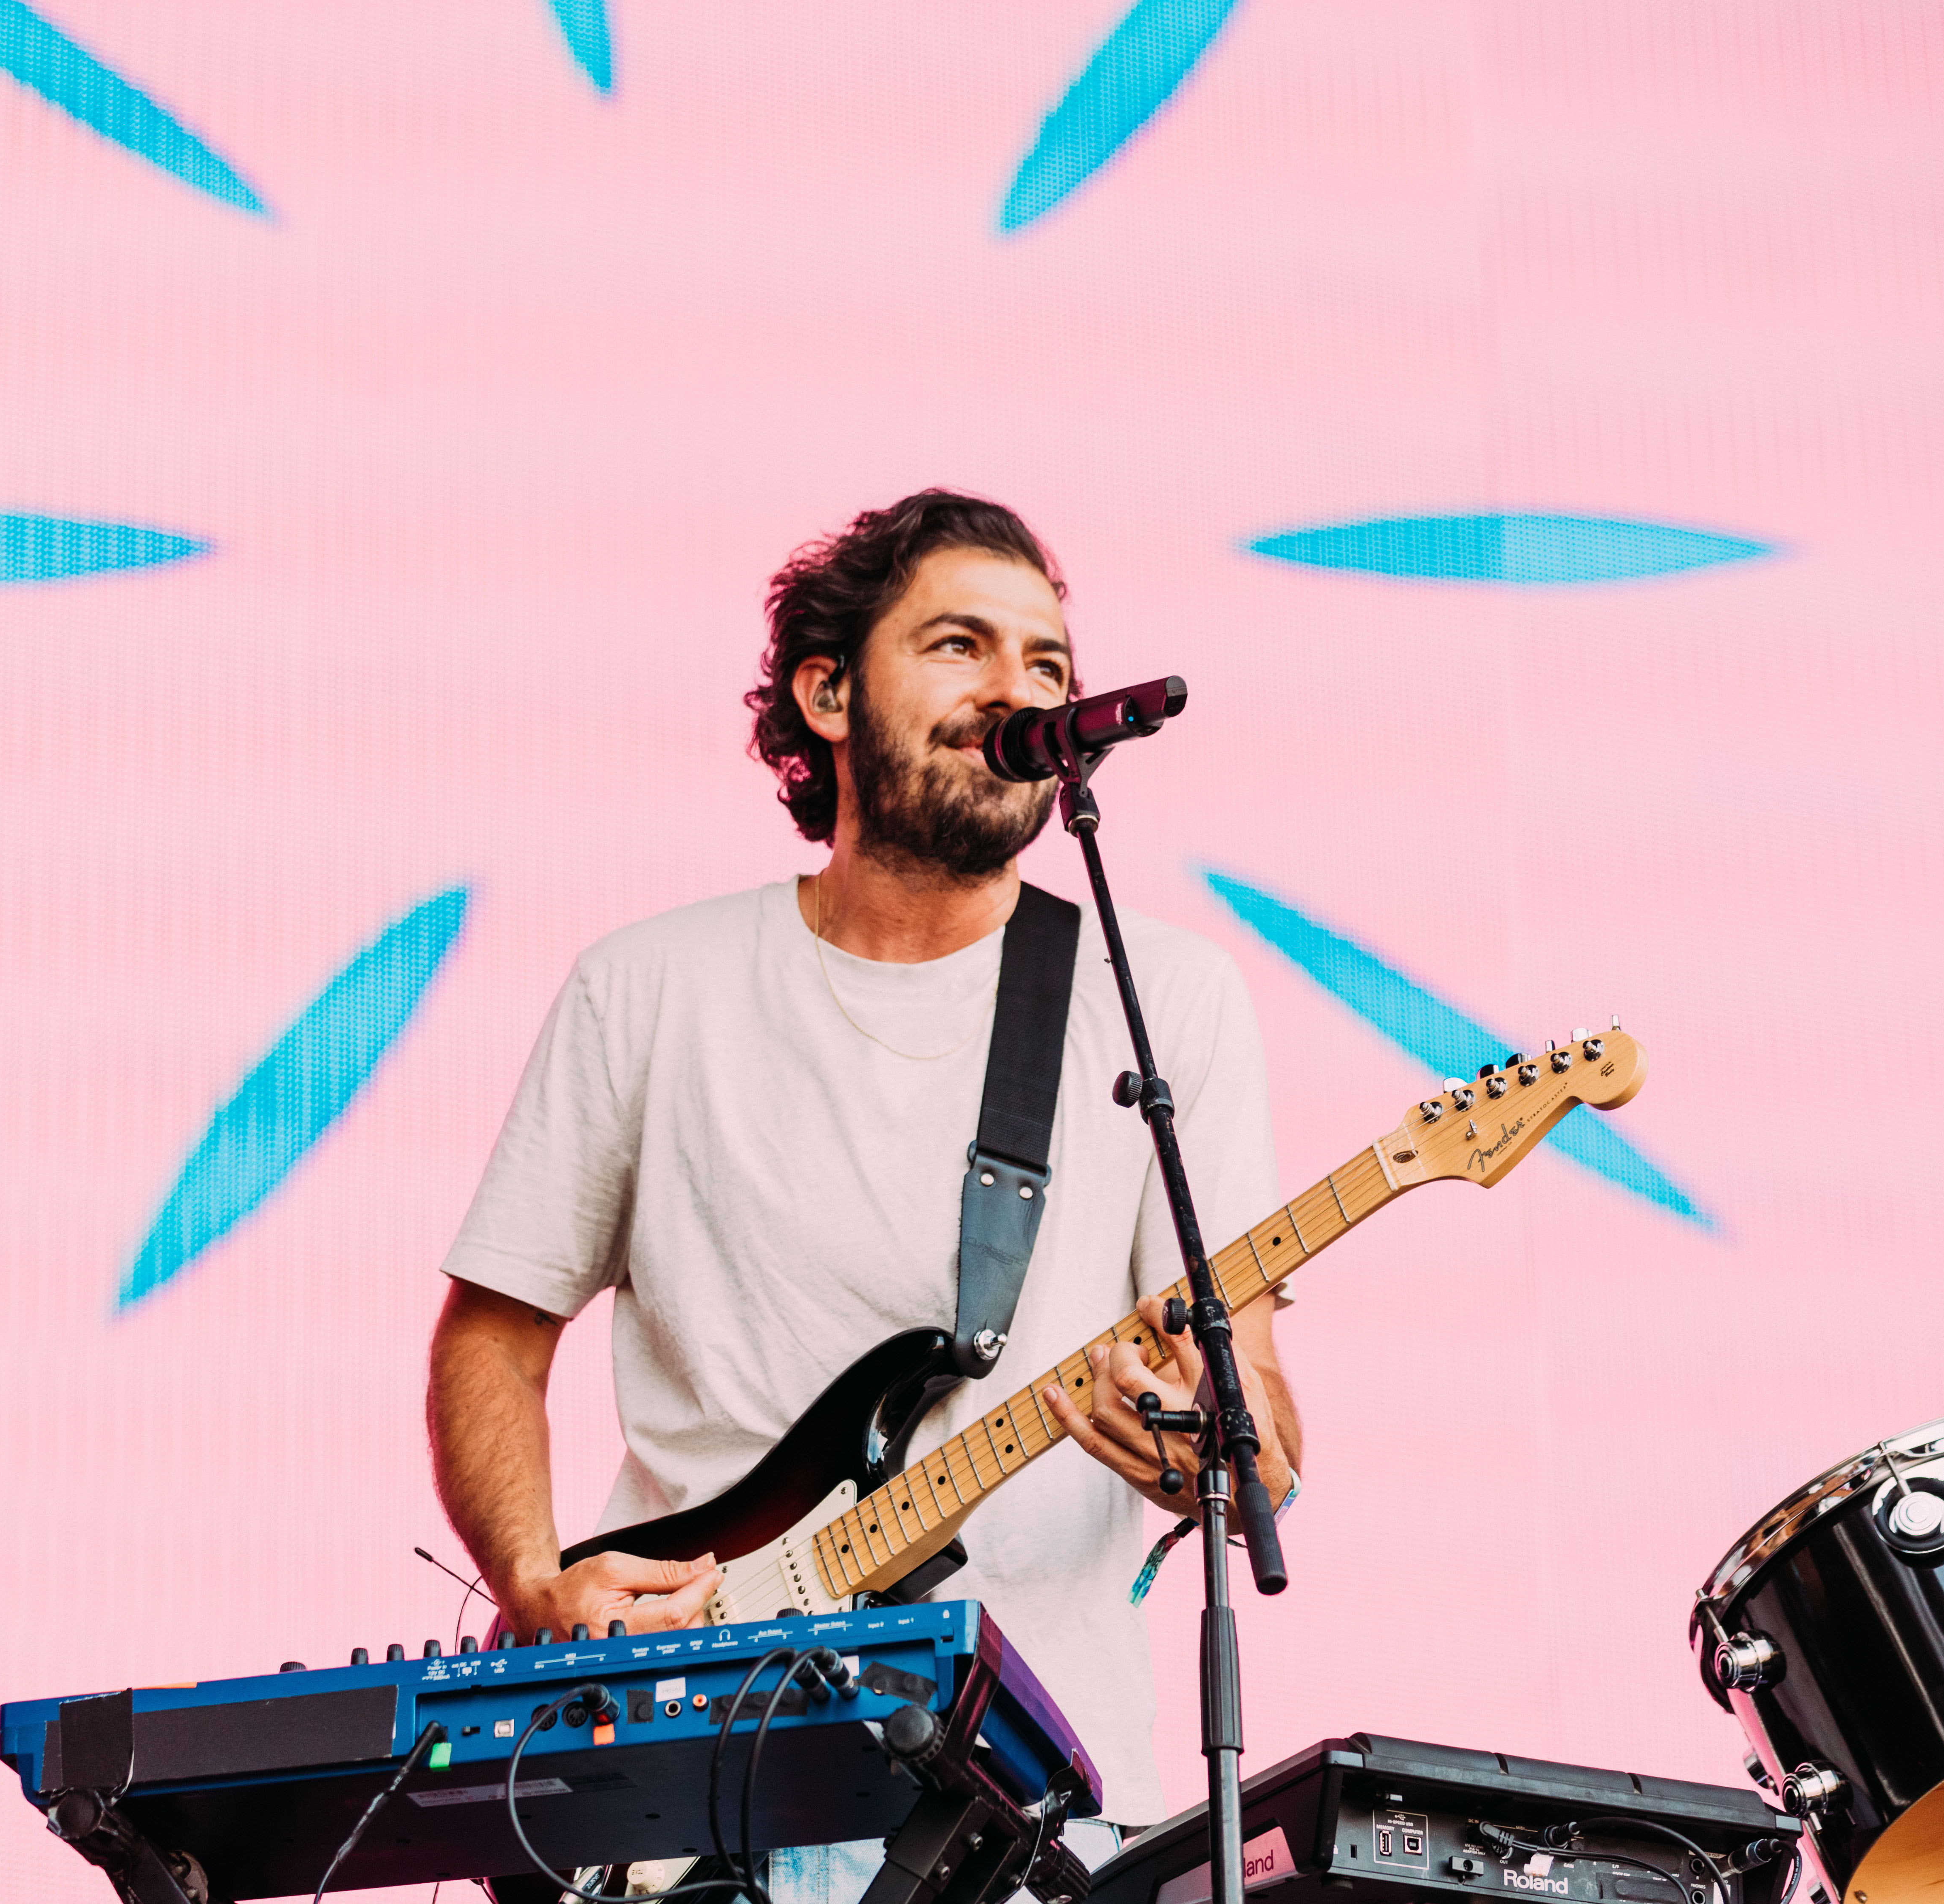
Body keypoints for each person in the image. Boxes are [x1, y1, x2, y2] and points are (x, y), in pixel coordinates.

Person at [426, 489, 1302, 1847]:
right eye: (961, 644)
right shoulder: (649, 989)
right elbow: (492, 1338)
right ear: (827, 693)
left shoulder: (1161, 1000)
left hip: (1033, 1807)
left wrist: (1207, 1451)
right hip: (687, 1762)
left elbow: (1257, 1425)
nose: (1018, 687)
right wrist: (537, 1584)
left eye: (1050, 663)